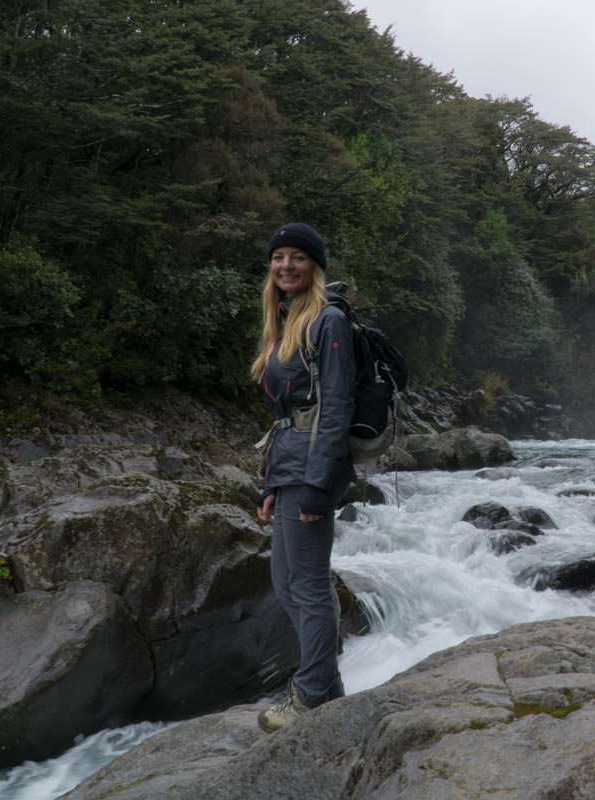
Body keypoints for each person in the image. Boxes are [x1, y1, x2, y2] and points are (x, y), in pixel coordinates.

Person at [251, 222, 355, 731]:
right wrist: (273, 485)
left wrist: (319, 484)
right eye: (278, 257)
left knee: (309, 585)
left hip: (313, 468)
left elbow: (334, 410)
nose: (286, 265)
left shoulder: (327, 322)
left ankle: (310, 694)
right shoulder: (286, 320)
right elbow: (286, 416)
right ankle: (329, 686)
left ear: (314, 265)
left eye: (297, 257)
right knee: (286, 584)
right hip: (289, 466)